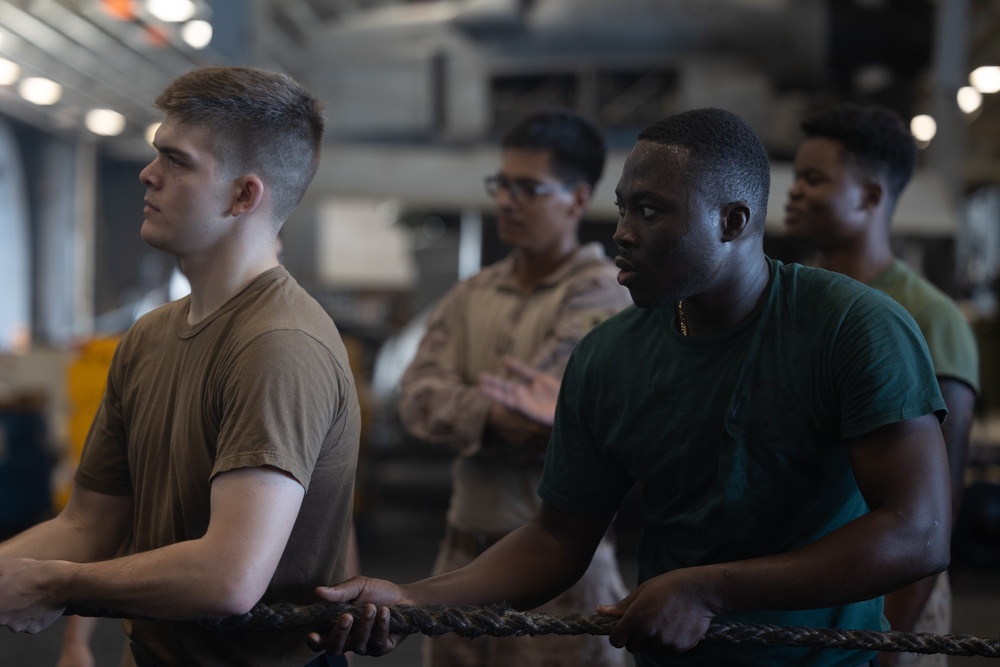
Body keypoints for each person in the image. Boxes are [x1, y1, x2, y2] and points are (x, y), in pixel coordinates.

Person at [308, 107, 953, 667]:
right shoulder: (610, 356)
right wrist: (415, 597)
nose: (621, 232)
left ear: (732, 222)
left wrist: (710, 590)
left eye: (651, 211)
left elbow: (918, 531)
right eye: (622, 209)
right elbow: (557, 539)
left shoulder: (852, 327)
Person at [0, 65, 361, 667]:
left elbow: (228, 576)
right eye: (155, 154)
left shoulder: (278, 345)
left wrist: (55, 585)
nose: (148, 173)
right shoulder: (149, 337)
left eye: (177, 160)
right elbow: (87, 525)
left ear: (244, 195)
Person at [397, 108, 633, 667]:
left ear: (577, 199)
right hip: (459, 557)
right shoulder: (471, 294)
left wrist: (469, 408)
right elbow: (415, 396)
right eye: (502, 184)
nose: (506, 199)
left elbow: (548, 420)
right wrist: (490, 413)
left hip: (562, 575)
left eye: (528, 187)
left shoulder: (603, 298)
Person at [783, 103, 980, 667]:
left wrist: (892, 640)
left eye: (814, 178)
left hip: (893, 590)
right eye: (796, 176)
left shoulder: (926, 315)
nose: (794, 192)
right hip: (817, 578)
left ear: (870, 197)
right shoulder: (795, 305)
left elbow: (937, 504)